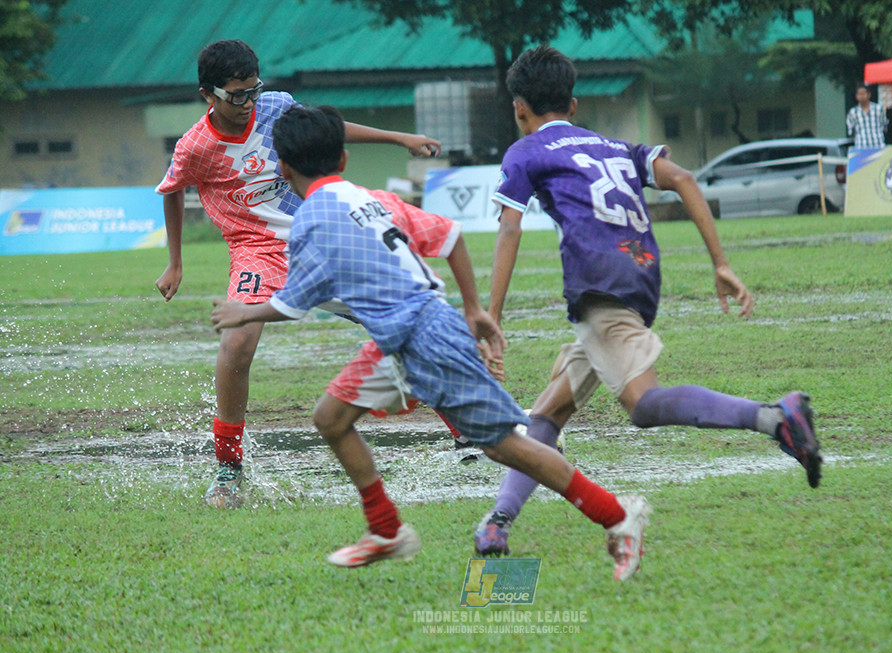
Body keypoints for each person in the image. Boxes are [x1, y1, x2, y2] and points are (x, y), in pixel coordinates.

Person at [210, 104, 652, 581]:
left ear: (283, 168)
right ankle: (386, 529)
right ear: (342, 159)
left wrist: (244, 310)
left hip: (424, 337)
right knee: (331, 417)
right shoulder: (371, 197)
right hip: (402, 335)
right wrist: (474, 309)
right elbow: (451, 236)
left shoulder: (310, 221)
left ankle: (617, 515)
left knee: (505, 447)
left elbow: (294, 303)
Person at [473, 46, 822, 557]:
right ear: (572, 105)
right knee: (547, 413)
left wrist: (492, 316)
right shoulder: (613, 146)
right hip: (639, 276)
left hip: (599, 284)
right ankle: (499, 521)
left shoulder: (525, 151)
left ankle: (774, 418)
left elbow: (509, 228)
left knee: (642, 405)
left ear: (519, 109)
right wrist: (720, 263)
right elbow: (682, 179)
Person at [154, 40, 455, 508]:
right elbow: (172, 190)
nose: (247, 103)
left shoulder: (276, 107)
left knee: (401, 324)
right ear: (207, 95)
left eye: (253, 90)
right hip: (256, 250)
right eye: (236, 95)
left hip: (318, 234)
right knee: (238, 339)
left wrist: (400, 138)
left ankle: (470, 429)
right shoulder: (195, 146)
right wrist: (176, 261)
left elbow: (326, 133)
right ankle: (229, 469)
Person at [846, 83, 888, 150]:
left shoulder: (878, 109)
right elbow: (851, 130)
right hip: (861, 147)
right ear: (856, 96)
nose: (861, 96)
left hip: (878, 146)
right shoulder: (853, 112)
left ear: (869, 95)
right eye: (859, 94)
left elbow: (884, 125)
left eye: (863, 93)